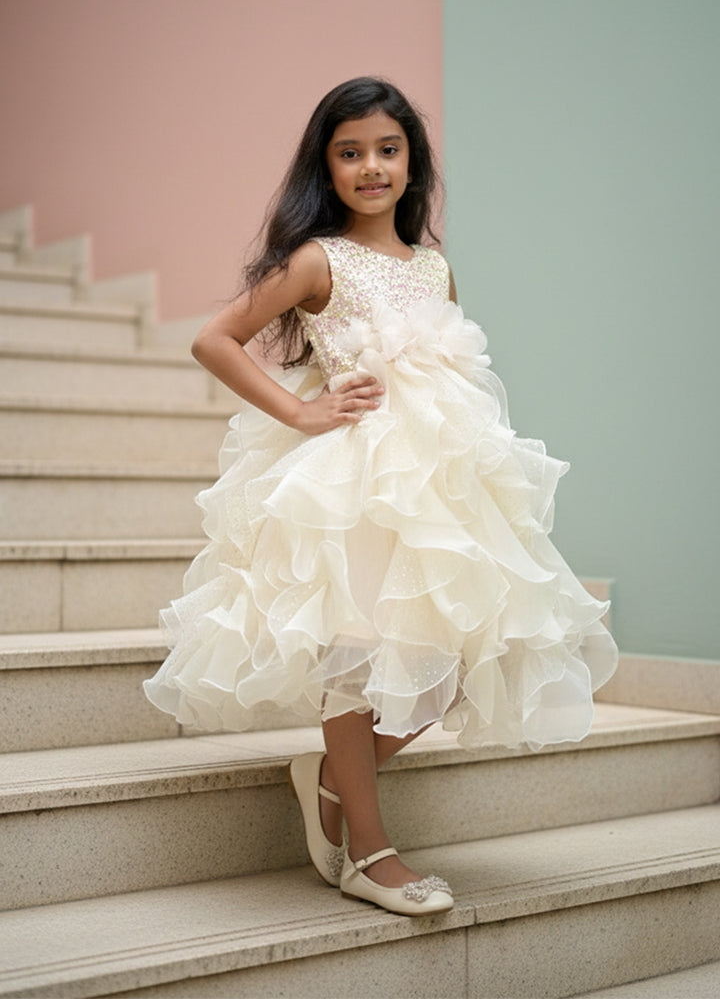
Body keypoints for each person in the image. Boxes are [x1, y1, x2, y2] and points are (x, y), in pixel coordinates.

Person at [144, 76, 618, 917]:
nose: (371, 166)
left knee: (475, 652)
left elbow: (455, 381)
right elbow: (214, 339)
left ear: (412, 162)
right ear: (325, 169)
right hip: (355, 480)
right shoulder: (319, 260)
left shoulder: (435, 267)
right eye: (350, 152)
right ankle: (367, 849)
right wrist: (299, 408)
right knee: (359, 659)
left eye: (387, 150)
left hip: (441, 485)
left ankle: (329, 778)